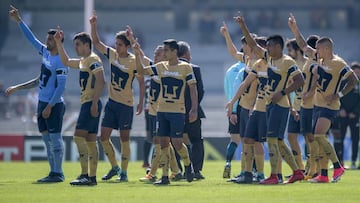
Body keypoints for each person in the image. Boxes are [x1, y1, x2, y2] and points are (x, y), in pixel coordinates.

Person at [288, 14, 358, 183]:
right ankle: (324, 175)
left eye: (318, 48)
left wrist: (339, 94)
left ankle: (338, 166)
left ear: (327, 49)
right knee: (320, 139)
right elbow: (303, 45)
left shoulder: (338, 63)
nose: (315, 51)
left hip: (330, 105)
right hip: (317, 105)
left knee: (319, 136)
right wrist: (295, 28)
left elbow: (354, 80)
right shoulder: (319, 58)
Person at [236, 15, 305, 184]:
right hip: (268, 105)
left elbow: (300, 80)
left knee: (273, 139)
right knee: (278, 141)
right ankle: (297, 171)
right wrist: (243, 25)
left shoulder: (287, 62)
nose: (266, 48)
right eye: (266, 46)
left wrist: (282, 93)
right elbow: (252, 44)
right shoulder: (269, 58)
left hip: (280, 106)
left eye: (270, 46)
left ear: (278, 46)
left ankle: (275, 176)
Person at [7, 5, 68, 183]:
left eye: (49, 39)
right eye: (47, 39)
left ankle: (58, 173)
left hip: (54, 105)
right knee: (47, 140)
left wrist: (49, 106)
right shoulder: (46, 54)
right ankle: (53, 172)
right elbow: (31, 39)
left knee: (55, 140)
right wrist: (19, 21)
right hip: (42, 103)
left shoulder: (61, 61)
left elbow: (60, 88)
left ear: (57, 41)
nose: (46, 42)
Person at [90, 11, 148, 182]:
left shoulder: (133, 61)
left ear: (127, 46)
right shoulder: (112, 55)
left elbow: (142, 81)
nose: (116, 47)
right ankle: (115, 167)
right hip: (112, 103)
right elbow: (96, 43)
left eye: (120, 45)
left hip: (126, 105)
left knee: (124, 139)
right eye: (116, 44)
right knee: (103, 137)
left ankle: (123, 172)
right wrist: (93, 25)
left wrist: (140, 102)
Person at [134, 39, 198, 185]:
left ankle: (188, 165)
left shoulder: (186, 68)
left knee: (177, 143)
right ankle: (164, 177)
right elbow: (141, 71)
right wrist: (137, 54)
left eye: (167, 50)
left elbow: (193, 89)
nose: (164, 53)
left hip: (177, 111)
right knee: (163, 143)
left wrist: (194, 108)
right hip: (161, 111)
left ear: (174, 52)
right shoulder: (161, 66)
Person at [54, 29, 106, 186]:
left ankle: (85, 174)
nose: (75, 48)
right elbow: (66, 61)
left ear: (86, 44)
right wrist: (58, 43)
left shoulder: (93, 59)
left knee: (78, 137)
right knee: (90, 141)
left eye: (77, 45)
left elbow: (101, 81)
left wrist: (95, 102)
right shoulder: (84, 61)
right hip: (89, 102)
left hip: (90, 102)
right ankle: (92, 178)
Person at [221, 21, 265, 181]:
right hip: (244, 107)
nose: (243, 47)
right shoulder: (247, 60)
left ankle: (258, 173)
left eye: (245, 44)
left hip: (253, 107)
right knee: (247, 140)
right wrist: (226, 34)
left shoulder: (260, 64)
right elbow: (233, 52)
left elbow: (262, 87)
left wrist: (254, 105)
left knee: (255, 141)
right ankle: (246, 172)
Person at [139, 45, 182, 183]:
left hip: (161, 111)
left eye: (158, 54)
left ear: (165, 56)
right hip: (152, 111)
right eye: (155, 53)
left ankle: (153, 173)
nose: (154, 56)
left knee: (159, 143)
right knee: (164, 143)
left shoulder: (162, 71)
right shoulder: (156, 68)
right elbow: (142, 58)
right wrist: (134, 45)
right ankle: (176, 171)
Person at [177, 41, 206, 180]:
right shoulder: (195, 68)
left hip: (175, 110)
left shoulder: (170, 67)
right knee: (196, 140)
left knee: (176, 140)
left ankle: (180, 170)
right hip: (192, 111)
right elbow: (200, 91)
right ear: (187, 54)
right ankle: (197, 170)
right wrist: (194, 107)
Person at [285, 39, 306, 172]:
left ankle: (313, 167)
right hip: (295, 107)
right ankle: (300, 168)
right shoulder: (290, 65)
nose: (288, 53)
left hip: (308, 106)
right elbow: (287, 87)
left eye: (290, 49)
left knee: (310, 137)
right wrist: (291, 107)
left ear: (297, 49)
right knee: (291, 136)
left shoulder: (307, 64)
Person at [336, 62, 360, 169]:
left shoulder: (359, 84)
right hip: (343, 115)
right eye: (354, 72)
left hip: (355, 116)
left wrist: (355, 112)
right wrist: (341, 110)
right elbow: (338, 97)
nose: (356, 74)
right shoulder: (343, 83)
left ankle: (354, 162)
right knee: (340, 138)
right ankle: (340, 162)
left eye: (358, 72)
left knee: (355, 139)